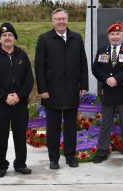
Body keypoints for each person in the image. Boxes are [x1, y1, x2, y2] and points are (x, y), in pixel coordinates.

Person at [35, 8, 88, 169]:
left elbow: (83, 64)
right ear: (53, 21)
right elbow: (39, 67)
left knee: (71, 127)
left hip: (72, 90)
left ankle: (70, 156)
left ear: (68, 20)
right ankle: (54, 159)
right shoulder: (44, 39)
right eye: (57, 19)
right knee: (53, 128)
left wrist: (83, 85)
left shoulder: (76, 38)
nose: (61, 21)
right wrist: (42, 89)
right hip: (52, 92)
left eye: (63, 18)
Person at [0, 23, 34, 178]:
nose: (7, 38)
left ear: (14, 38)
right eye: (4, 35)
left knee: (20, 136)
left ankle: (20, 164)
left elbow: (29, 79)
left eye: (10, 35)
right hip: (0, 105)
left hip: (20, 103)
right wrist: (4, 96)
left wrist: (19, 95)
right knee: (0, 137)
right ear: (0, 38)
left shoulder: (22, 55)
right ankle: (1, 165)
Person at [92, 23, 123, 164]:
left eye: (118, 34)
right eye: (112, 34)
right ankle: (102, 151)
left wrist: (116, 79)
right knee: (106, 124)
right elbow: (96, 69)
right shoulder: (102, 51)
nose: (115, 37)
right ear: (108, 36)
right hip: (108, 93)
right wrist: (106, 79)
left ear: (122, 35)